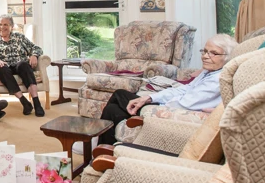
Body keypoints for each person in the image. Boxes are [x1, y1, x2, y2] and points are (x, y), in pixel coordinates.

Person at [96, 33, 238, 145]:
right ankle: (103, 148)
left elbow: (184, 103)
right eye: (205, 51)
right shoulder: (209, 72)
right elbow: (185, 89)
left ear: (228, 57)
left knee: (119, 94)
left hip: (169, 112)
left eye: (213, 53)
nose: (205, 56)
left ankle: (94, 140)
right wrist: (150, 97)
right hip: (168, 106)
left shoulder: (218, 79)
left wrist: (154, 104)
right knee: (112, 110)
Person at [0, 14, 46, 117]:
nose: (2, 27)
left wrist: (34, 55)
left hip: (18, 64)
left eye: (6, 24)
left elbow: (36, 48)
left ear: (11, 26)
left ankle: (37, 103)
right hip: (3, 66)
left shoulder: (19, 37)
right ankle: (24, 101)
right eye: (0, 24)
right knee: (1, 69)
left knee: (24, 65)